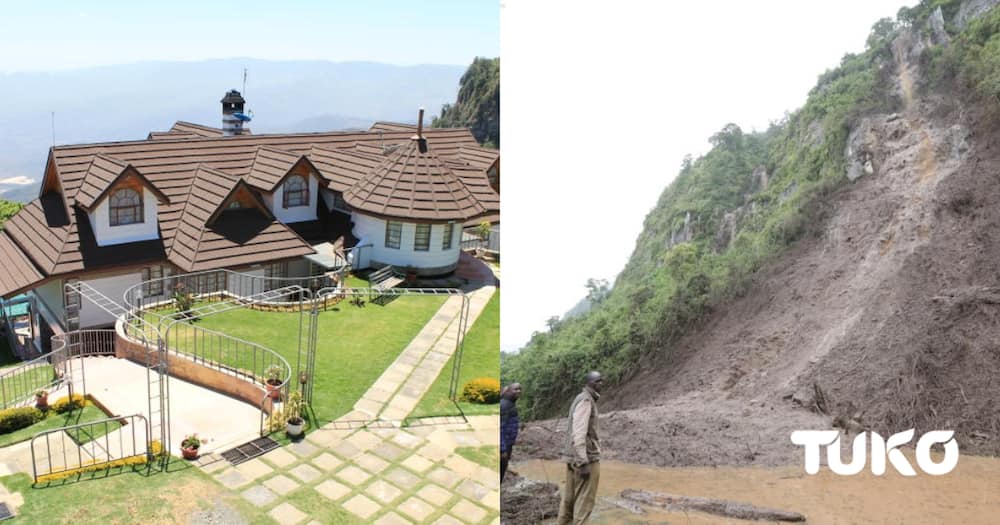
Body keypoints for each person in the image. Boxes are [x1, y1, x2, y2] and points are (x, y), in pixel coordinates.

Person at [557, 371, 603, 525]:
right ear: (589, 383)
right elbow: (579, 432)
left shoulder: (581, 398)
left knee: (568, 502)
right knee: (585, 504)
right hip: (586, 458)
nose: (601, 384)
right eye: (598, 381)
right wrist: (583, 462)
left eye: (601, 381)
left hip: (573, 457)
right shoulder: (586, 401)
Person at [500, 382, 522, 482]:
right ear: (508, 391)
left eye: (520, 389)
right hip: (503, 447)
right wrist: (502, 450)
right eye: (515, 389)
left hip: (508, 444)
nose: (519, 391)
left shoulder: (510, 404)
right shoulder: (504, 405)